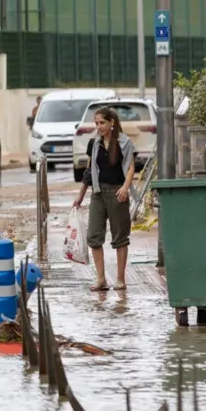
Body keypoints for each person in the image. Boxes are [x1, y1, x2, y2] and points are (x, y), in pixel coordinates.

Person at [72, 106, 136, 291]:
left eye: (102, 123)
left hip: (118, 193)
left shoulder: (124, 142)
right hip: (98, 194)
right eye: (96, 123)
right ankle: (101, 279)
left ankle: (120, 279)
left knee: (120, 238)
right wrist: (81, 195)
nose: (99, 127)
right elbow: (89, 172)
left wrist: (125, 188)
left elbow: (131, 168)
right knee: (94, 236)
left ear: (112, 123)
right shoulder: (94, 144)